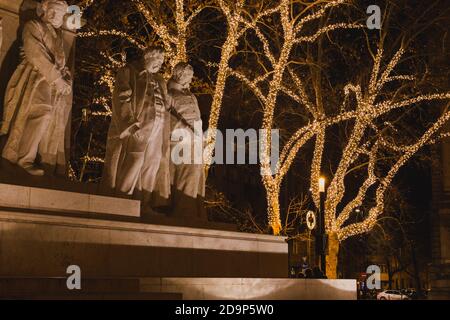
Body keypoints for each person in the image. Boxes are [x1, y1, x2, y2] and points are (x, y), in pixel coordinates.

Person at [1, 0, 72, 176]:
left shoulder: (58, 37)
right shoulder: (33, 25)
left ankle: (25, 157)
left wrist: (66, 76)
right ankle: (22, 157)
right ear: (44, 10)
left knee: (44, 116)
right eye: (53, 12)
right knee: (41, 113)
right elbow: (35, 52)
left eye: (60, 14)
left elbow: (60, 61)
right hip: (33, 77)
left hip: (49, 82)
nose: (56, 17)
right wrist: (57, 78)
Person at [102, 46, 171, 207]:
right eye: (157, 60)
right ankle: (121, 200)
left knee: (151, 165)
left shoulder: (160, 80)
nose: (159, 64)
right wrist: (130, 124)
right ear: (147, 57)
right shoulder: (129, 71)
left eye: (161, 61)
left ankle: (142, 205)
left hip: (157, 127)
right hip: (138, 126)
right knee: (135, 158)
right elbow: (121, 97)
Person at [167, 62, 205, 219]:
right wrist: (184, 129)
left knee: (197, 175)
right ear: (178, 75)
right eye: (187, 75)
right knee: (186, 173)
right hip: (180, 140)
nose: (190, 78)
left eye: (191, 75)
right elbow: (167, 117)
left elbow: (198, 118)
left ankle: (195, 212)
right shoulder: (169, 93)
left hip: (196, 141)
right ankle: (184, 212)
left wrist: (200, 135)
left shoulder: (191, 96)